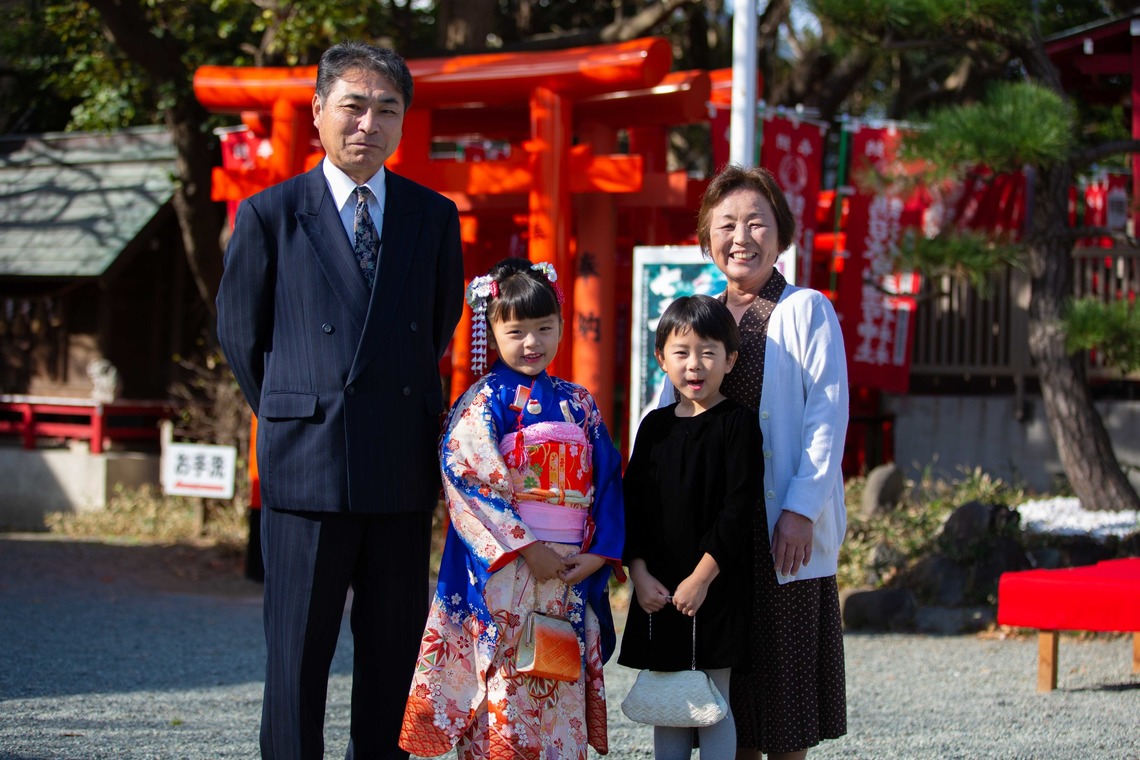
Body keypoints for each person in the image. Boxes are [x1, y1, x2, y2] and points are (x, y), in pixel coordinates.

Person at [215, 41, 465, 760]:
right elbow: (240, 333)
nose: (368, 124)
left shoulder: (431, 215)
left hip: (397, 463)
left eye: (387, 110)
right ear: (319, 111)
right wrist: (300, 406)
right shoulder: (270, 213)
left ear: (403, 122)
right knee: (296, 660)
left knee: (392, 658)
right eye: (353, 106)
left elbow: (439, 321)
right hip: (306, 464)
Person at [398, 258, 625, 760]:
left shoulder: (580, 403)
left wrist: (600, 553)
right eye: (516, 331)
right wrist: (526, 546)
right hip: (507, 573)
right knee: (506, 681)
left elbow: (608, 480)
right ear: (492, 331)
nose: (531, 343)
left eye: (544, 328)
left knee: (558, 678)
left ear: (561, 325)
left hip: (569, 571)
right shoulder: (483, 401)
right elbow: (466, 476)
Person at [695, 164, 849, 760]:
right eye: (727, 224)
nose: (742, 237)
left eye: (757, 223)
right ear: (707, 237)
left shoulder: (806, 308)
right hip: (718, 535)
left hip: (782, 529)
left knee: (785, 708)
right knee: (725, 706)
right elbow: (668, 417)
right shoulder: (698, 317)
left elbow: (826, 416)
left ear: (781, 234)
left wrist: (801, 510)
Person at [619, 294, 761, 760]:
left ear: (730, 359)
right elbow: (634, 505)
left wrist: (701, 578)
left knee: (714, 699)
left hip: (716, 583)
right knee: (669, 698)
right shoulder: (654, 427)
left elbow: (739, 507)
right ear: (662, 359)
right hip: (658, 588)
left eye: (708, 352)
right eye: (681, 352)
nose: (694, 364)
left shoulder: (738, 423)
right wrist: (639, 574)